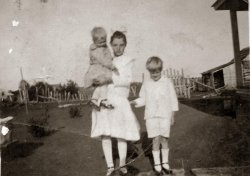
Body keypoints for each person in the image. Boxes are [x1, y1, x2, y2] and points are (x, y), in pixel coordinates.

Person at [91, 31, 140, 176]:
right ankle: (110, 166)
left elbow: (126, 80)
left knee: (121, 134)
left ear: (125, 45)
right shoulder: (107, 61)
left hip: (119, 100)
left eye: (121, 45)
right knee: (106, 135)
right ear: (111, 45)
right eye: (115, 45)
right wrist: (97, 97)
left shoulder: (128, 61)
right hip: (106, 100)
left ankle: (123, 164)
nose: (118, 48)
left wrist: (109, 79)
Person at [131, 56, 179, 175]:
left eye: (157, 71)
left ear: (160, 70)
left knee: (164, 139)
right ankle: (157, 164)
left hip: (165, 116)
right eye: (152, 72)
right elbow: (143, 99)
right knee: (155, 140)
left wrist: (172, 115)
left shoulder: (167, 82)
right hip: (151, 116)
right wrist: (135, 102)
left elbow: (173, 99)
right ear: (149, 71)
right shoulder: (146, 83)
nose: (155, 74)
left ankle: (165, 163)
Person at [84, 27, 118, 110]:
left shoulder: (98, 47)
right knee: (104, 82)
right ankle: (103, 99)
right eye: (101, 42)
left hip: (97, 69)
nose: (103, 43)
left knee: (100, 85)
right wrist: (113, 67)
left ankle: (95, 99)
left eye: (104, 41)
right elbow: (104, 60)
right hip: (98, 70)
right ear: (94, 41)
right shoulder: (97, 49)